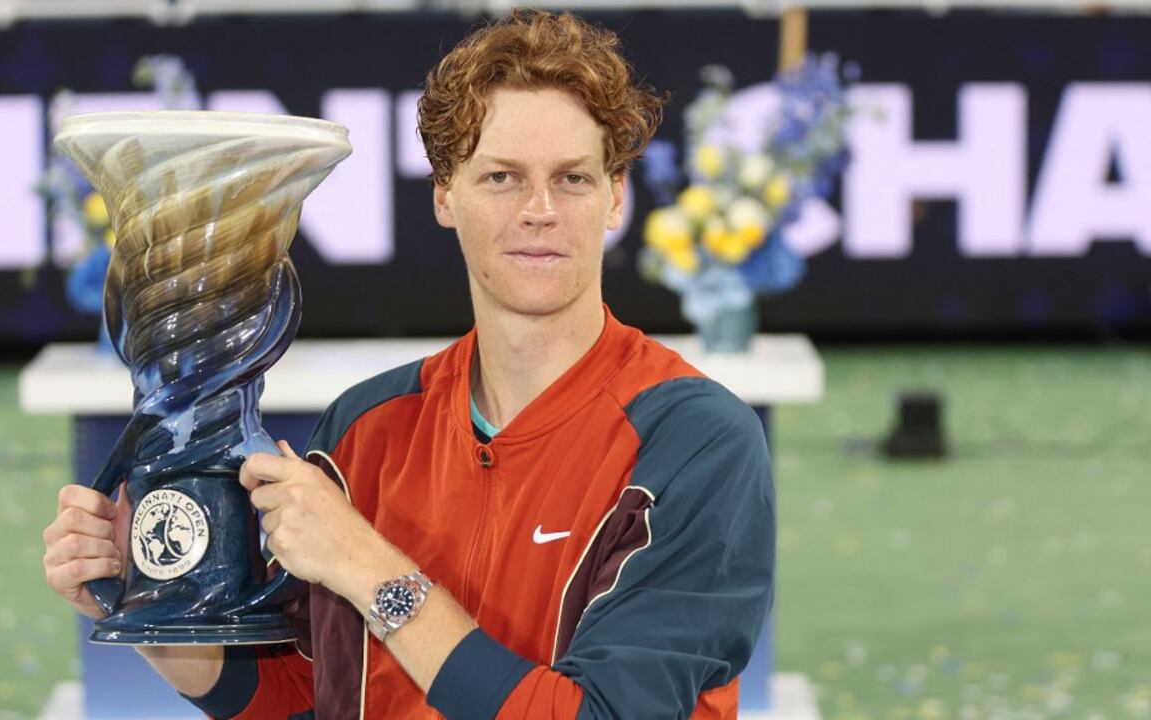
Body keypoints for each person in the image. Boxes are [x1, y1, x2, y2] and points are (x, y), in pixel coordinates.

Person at [43, 9, 775, 719]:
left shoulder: (695, 441)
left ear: (616, 196)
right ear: (444, 195)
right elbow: (300, 694)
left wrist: (367, 565)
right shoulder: (368, 427)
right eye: (501, 178)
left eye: (574, 178)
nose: (540, 209)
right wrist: (150, 602)